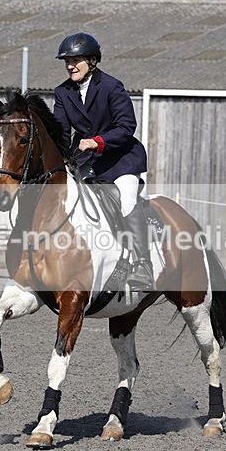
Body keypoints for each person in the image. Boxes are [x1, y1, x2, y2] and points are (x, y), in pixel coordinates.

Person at [52, 32, 154, 291]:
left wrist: (97, 141)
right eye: (67, 61)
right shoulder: (63, 93)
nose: (70, 66)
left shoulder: (111, 86)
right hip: (88, 162)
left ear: (92, 61)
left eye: (76, 61)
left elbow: (126, 125)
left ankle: (144, 265)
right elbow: (62, 134)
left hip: (121, 160)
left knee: (127, 200)